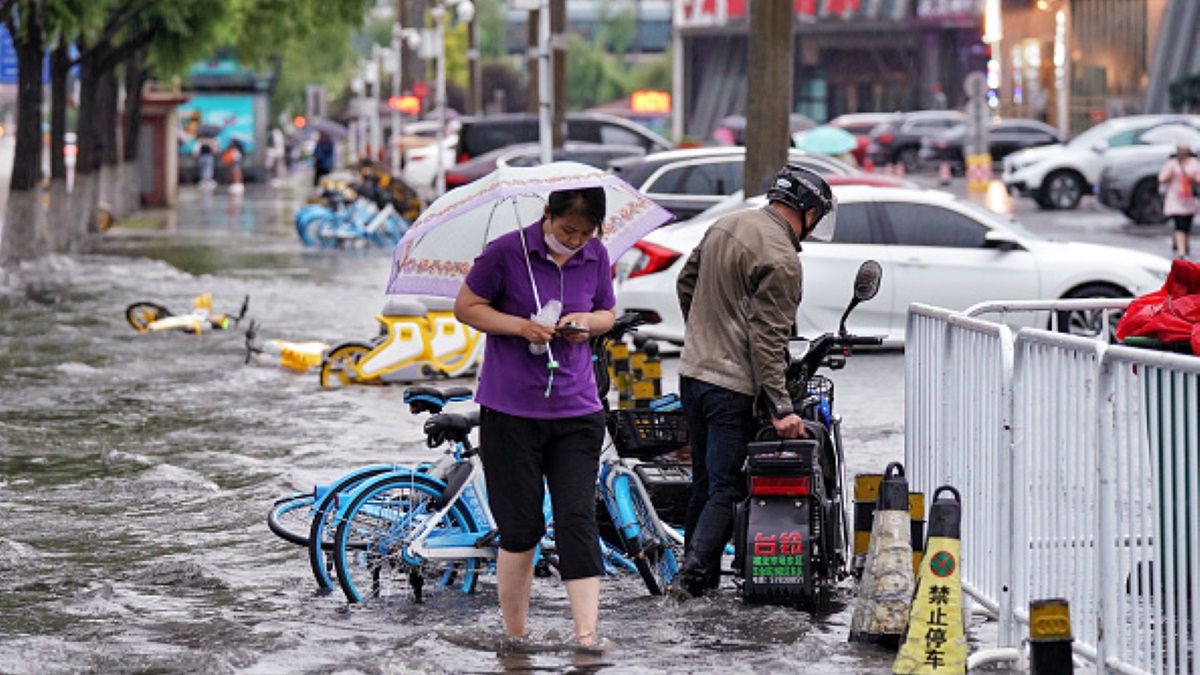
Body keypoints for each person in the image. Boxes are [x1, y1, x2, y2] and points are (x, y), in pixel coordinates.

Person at [454, 187, 616, 647]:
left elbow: (608, 311)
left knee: (577, 519)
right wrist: (520, 326)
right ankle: (516, 635)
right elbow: (466, 308)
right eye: (568, 230)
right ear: (547, 215)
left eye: (586, 233)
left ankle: (587, 637)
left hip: (578, 409)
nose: (577, 239)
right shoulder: (506, 252)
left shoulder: (596, 255)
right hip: (511, 411)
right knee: (521, 526)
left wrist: (587, 322)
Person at [672, 164, 835, 598]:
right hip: (731, 386)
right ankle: (689, 582)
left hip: (693, 374)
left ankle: (698, 577)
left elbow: (685, 283)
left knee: (704, 483)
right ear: (808, 211)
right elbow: (767, 341)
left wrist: (705, 335)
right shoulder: (782, 260)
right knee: (727, 487)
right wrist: (781, 408)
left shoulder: (726, 224)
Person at [1158, 144, 1200, 259]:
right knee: (1179, 224)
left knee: (1186, 224)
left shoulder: (1194, 163)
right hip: (1175, 198)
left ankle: (1183, 245)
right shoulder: (1172, 163)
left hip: (1190, 198)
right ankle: (1181, 250)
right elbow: (1162, 178)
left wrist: (1191, 178)